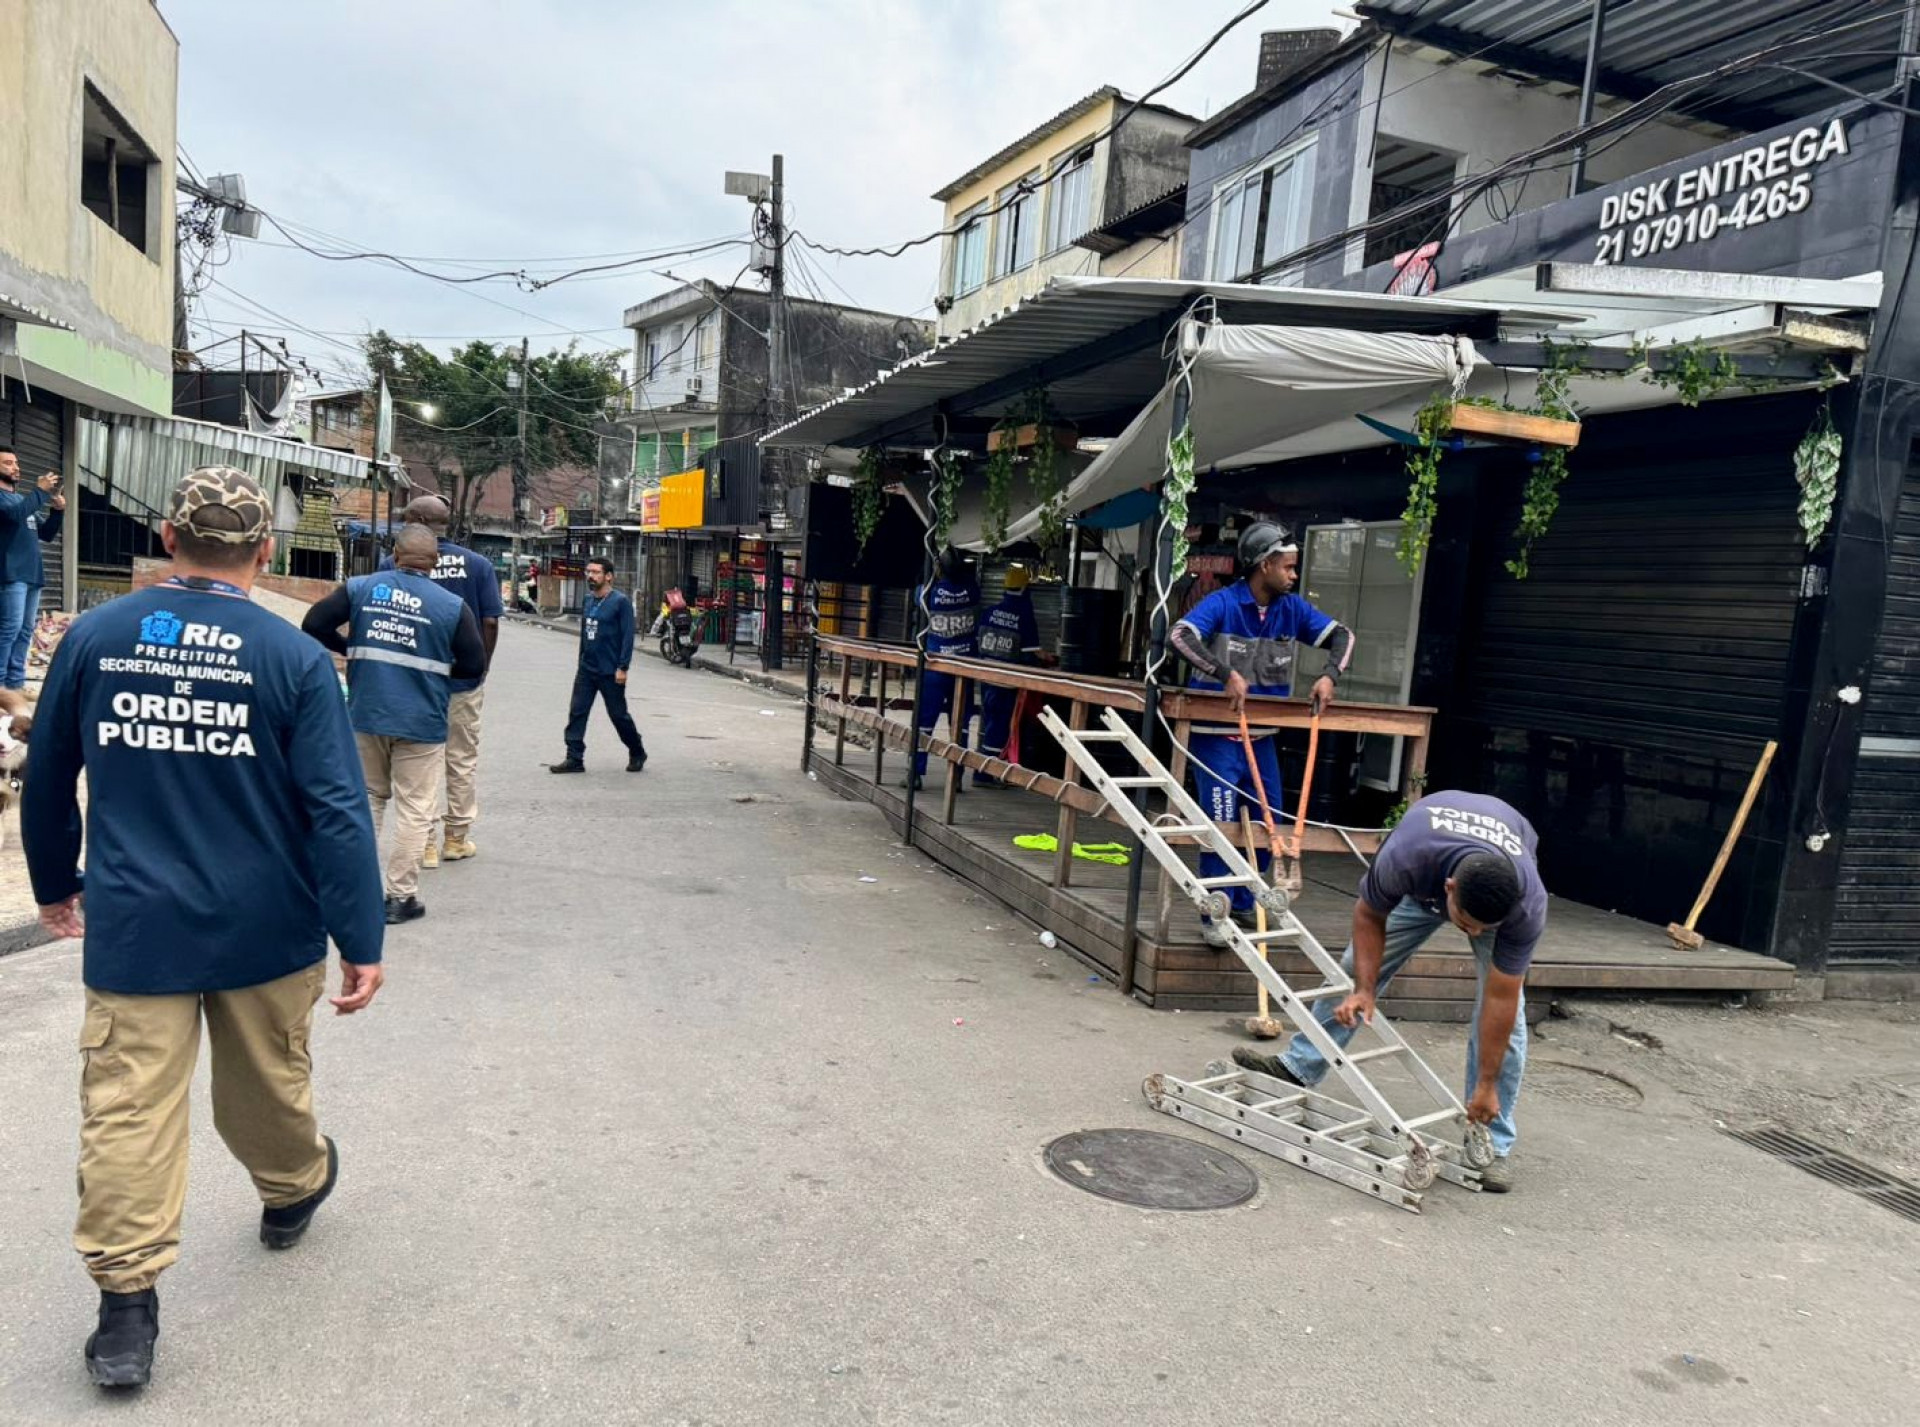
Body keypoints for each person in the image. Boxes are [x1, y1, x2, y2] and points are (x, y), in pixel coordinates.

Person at [20, 465, 387, 1389]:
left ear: (168, 542)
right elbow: (338, 810)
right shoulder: (294, 658)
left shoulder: (96, 637)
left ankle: (125, 1309)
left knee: (127, 1109)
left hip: (137, 924)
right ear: (265, 551)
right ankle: (294, 1188)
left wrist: (56, 883)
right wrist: (361, 936)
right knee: (267, 1087)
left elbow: (51, 770)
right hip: (268, 921)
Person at [1233, 791, 1545, 1194]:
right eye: (1468, 922)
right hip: (1426, 882)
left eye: (1485, 928)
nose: (1474, 933)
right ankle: (1299, 1066)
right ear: (1449, 888)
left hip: (1485, 883)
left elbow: (1500, 1000)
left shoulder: (1525, 905)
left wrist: (1487, 1084)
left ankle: (1491, 1142)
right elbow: (1369, 914)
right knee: (1352, 970)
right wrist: (1365, 990)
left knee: (1509, 1019)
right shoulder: (1409, 855)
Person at [1167, 521, 1353, 948]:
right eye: (1287, 566)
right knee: (1220, 825)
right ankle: (1214, 912)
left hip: (1262, 737)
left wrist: (1330, 675)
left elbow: (1343, 635)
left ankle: (1245, 901)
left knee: (1273, 824)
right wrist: (1223, 672)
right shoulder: (1222, 603)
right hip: (1214, 737)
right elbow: (1180, 635)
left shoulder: (1293, 610)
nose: (1293, 575)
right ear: (1264, 565)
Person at [301, 525, 485, 924]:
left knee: (367, 800)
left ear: (395, 556)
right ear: (434, 563)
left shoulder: (361, 588)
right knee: (416, 809)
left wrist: (350, 649)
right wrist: (437, 674)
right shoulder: (452, 607)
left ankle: (351, 892)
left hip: (366, 713)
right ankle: (400, 898)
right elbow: (474, 664)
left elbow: (314, 624)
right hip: (422, 720)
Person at [377, 496, 501, 868]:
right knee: (461, 760)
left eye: (406, 518)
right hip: (463, 682)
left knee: (420, 762)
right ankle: (456, 839)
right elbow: (490, 621)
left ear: (418, 519)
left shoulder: (393, 564)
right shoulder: (478, 565)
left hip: (413, 681)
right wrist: (480, 668)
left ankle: (426, 843)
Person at [549, 556, 647, 774]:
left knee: (618, 715)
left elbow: (627, 637)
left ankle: (637, 750)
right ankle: (574, 758)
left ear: (608, 576)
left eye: (595, 572)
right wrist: (581, 660)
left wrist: (623, 667)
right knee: (577, 712)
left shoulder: (620, 602)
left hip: (610, 671)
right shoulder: (588, 600)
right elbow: (585, 634)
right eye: (588, 572)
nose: (590, 576)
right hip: (587, 669)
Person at [971, 563, 1053, 788]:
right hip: (1006, 683)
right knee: (999, 727)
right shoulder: (1023, 616)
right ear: (1025, 589)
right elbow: (1034, 652)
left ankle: (988, 771)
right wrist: (1050, 659)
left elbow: (979, 644)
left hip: (986, 678)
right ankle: (984, 774)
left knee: (989, 723)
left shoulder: (989, 613)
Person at [904, 547, 979, 791]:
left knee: (924, 722)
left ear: (939, 568)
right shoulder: (972, 590)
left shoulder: (927, 593)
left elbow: (917, 592)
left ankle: (915, 773)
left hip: (934, 668)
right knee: (961, 724)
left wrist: (930, 574)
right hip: (964, 668)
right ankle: (956, 776)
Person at [0, 446, 66, 690]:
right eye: (8, 463)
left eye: (16, 463)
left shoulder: (20, 500)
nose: (15, 467)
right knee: (9, 629)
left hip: (32, 575)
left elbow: (46, 533)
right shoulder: (6, 501)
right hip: (10, 574)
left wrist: (57, 511)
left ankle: (15, 685)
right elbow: (14, 516)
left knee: (26, 631)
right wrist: (40, 491)